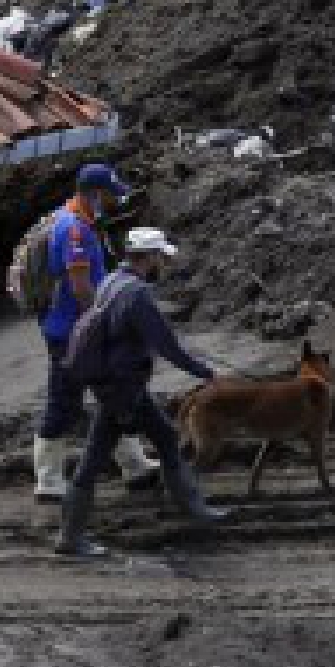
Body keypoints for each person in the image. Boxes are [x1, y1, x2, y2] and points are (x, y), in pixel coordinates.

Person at [57, 227, 229, 559]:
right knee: (95, 459)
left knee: (165, 437)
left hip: (114, 383)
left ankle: (194, 508)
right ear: (148, 257)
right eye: (160, 257)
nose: (162, 263)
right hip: (123, 387)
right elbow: (167, 345)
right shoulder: (136, 295)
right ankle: (70, 537)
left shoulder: (110, 281)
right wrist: (206, 372)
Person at [33, 165, 158, 506]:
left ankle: (133, 463)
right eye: (111, 194)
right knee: (65, 400)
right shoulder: (73, 230)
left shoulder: (81, 221)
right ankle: (47, 478)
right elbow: (79, 286)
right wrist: (101, 319)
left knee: (113, 393)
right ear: (95, 193)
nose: (115, 201)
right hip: (72, 332)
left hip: (79, 328)